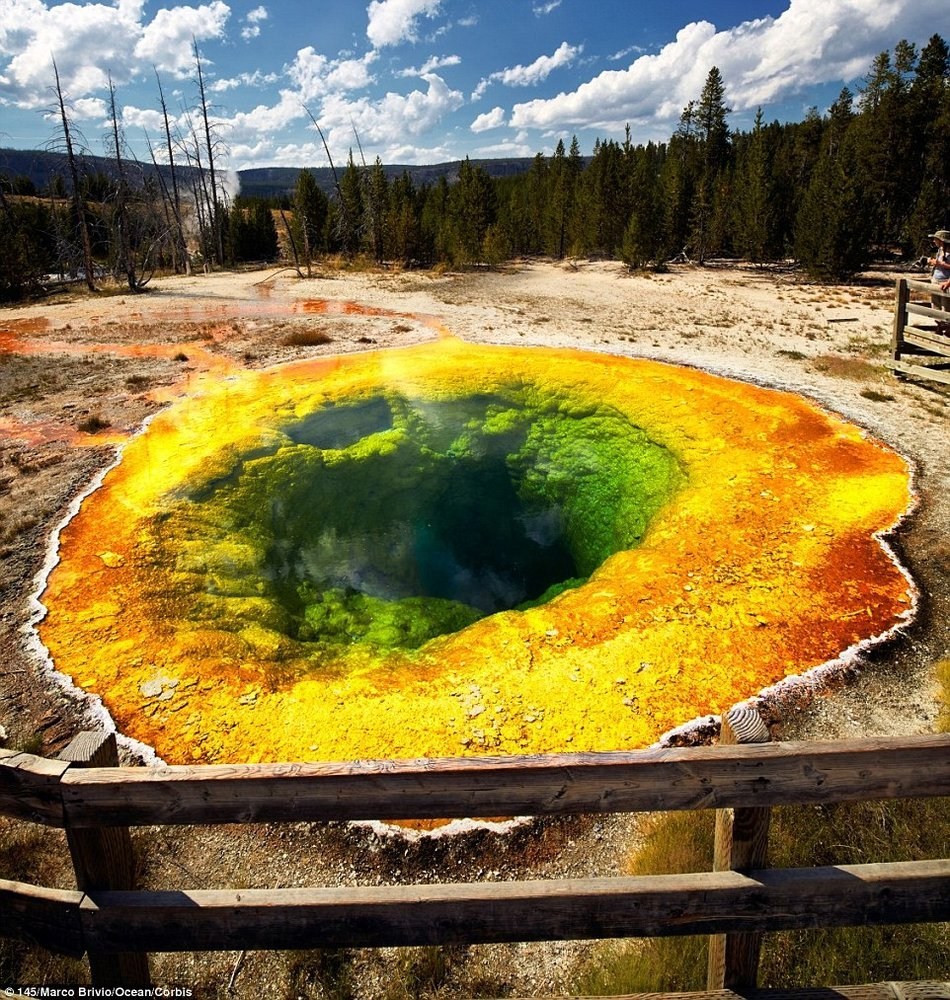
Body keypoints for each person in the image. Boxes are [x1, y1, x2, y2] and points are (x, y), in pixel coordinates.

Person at [927, 229, 950, 309]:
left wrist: (941, 264)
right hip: (935, 280)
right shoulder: (940, 250)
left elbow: (942, 264)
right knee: (935, 307)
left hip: (945, 282)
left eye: (936, 239)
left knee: (946, 308)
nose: (934, 241)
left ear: (942, 241)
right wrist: (933, 262)